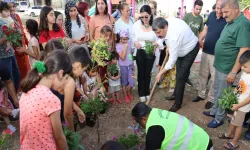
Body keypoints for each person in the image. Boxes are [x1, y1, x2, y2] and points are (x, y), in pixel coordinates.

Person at [203, 0, 250, 128]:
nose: (223, 15)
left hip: (227, 68)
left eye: (226, 12)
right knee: (217, 89)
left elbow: (243, 50)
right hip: (220, 64)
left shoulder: (243, 24)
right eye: (222, 12)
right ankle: (214, 112)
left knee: (223, 93)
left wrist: (234, 71)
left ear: (235, 9)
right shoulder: (231, 21)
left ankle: (219, 118)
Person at [20, 51, 70, 150]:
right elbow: (59, 137)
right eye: (66, 78)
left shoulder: (27, 90)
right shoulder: (51, 99)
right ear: (60, 74)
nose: (65, 84)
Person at [154, 17, 199, 112]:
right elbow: (163, 38)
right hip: (181, 49)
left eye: (159, 32)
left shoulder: (174, 37)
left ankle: (177, 104)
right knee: (179, 73)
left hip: (191, 50)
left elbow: (171, 61)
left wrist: (160, 73)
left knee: (180, 77)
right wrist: (158, 42)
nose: (158, 35)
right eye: (156, 33)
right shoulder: (166, 22)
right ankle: (176, 94)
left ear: (165, 27)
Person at [42, 41, 86, 131]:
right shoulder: (63, 79)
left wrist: (78, 110)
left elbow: (65, 97)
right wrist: (72, 135)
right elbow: (67, 113)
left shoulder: (61, 76)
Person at [132, 102, 213, 150]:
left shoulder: (153, 131)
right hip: (204, 140)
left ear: (143, 119)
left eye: (139, 123)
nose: (140, 126)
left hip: (199, 147)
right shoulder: (156, 112)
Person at [192, 0, 227, 109]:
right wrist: (200, 39)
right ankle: (201, 94)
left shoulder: (226, 20)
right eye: (217, 7)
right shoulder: (211, 15)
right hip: (206, 50)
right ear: (215, 7)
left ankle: (211, 98)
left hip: (216, 54)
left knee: (213, 77)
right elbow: (206, 29)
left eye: (221, 8)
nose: (219, 10)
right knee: (203, 74)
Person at [218, 51, 250, 150]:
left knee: (238, 125)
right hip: (236, 102)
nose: (242, 68)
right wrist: (233, 93)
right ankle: (229, 134)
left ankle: (234, 142)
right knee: (232, 120)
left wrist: (238, 106)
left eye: (245, 66)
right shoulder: (245, 73)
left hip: (242, 107)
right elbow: (240, 86)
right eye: (242, 66)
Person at [132, 5, 159, 102]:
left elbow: (159, 38)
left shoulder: (155, 24)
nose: (144, 19)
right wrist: (135, 43)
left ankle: (147, 91)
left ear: (150, 15)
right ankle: (141, 92)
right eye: (142, 17)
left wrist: (156, 45)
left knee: (148, 73)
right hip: (140, 52)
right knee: (141, 72)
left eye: (146, 16)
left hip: (150, 52)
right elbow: (133, 36)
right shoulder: (137, 24)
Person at [0, 1, 20, 108]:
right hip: (2, 57)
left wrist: (13, 32)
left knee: (16, 77)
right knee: (9, 80)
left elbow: (16, 31)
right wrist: (8, 35)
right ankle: (12, 105)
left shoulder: (9, 20)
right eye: (6, 10)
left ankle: (13, 101)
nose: (8, 12)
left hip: (10, 53)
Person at [7, 0, 30, 82]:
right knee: (18, 69)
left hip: (22, 46)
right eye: (10, 7)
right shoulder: (5, 20)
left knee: (26, 67)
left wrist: (27, 42)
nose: (12, 9)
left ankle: (26, 85)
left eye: (13, 6)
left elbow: (22, 31)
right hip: (13, 48)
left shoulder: (17, 16)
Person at [182, 0, 204, 86]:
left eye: (200, 9)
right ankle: (181, 78)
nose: (198, 11)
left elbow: (201, 31)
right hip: (184, 44)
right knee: (182, 63)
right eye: (197, 9)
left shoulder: (200, 19)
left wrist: (201, 41)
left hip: (194, 45)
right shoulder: (187, 16)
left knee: (189, 64)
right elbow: (181, 28)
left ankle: (186, 78)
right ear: (194, 7)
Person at [116, 29, 133, 103]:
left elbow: (130, 54)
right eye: (124, 39)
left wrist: (132, 62)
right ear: (120, 38)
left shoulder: (129, 43)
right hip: (123, 66)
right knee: (124, 82)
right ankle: (125, 95)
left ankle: (129, 92)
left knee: (131, 81)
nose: (125, 41)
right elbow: (122, 57)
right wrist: (125, 48)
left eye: (126, 39)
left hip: (130, 65)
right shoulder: (118, 46)